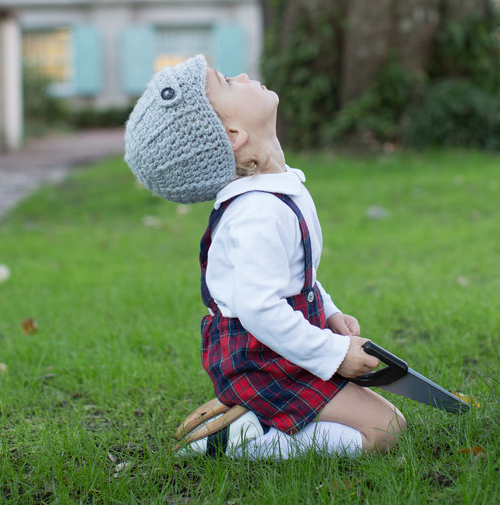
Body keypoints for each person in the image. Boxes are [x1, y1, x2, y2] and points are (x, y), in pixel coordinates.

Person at [124, 54, 406, 459]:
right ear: (234, 134)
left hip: (281, 344)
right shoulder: (259, 213)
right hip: (262, 358)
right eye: (228, 82)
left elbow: (295, 275)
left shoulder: (276, 190)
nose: (242, 75)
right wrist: (334, 354)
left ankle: (261, 416)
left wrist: (328, 314)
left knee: (387, 424)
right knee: (385, 431)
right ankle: (245, 441)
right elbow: (259, 308)